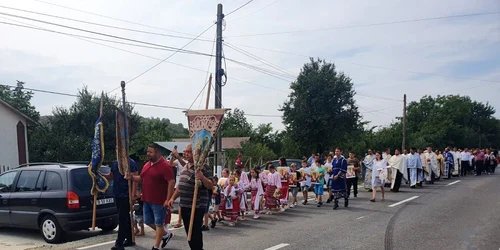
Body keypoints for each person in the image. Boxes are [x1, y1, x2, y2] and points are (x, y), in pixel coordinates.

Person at [127, 144, 175, 250]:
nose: (148, 154)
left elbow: (171, 182)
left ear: (157, 152)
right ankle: (166, 235)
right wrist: (132, 177)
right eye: (147, 151)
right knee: (148, 221)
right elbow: (141, 178)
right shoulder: (147, 165)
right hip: (147, 198)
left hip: (159, 200)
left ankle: (156, 246)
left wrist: (168, 199)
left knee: (159, 223)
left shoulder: (165, 166)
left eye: (150, 152)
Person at [167, 144, 212, 250]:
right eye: (185, 151)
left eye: (188, 152)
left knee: (195, 232)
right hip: (185, 204)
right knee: (189, 231)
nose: (185, 154)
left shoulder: (203, 167)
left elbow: (210, 185)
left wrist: (202, 177)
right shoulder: (185, 166)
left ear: (195, 154)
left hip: (196, 205)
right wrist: (173, 198)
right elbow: (180, 186)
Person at [102, 157, 138, 250]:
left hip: (126, 194)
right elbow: (111, 176)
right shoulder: (115, 163)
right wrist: (100, 174)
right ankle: (129, 239)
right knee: (125, 217)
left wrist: (133, 194)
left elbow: (134, 178)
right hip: (117, 194)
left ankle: (119, 243)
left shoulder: (131, 162)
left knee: (122, 218)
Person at [169, 149, 187, 229]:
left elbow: (184, 165)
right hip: (178, 184)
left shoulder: (189, 162)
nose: (185, 154)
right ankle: (179, 220)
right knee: (174, 201)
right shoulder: (178, 160)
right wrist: (172, 156)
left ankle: (180, 220)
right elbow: (171, 164)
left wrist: (178, 156)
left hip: (185, 184)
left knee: (182, 203)